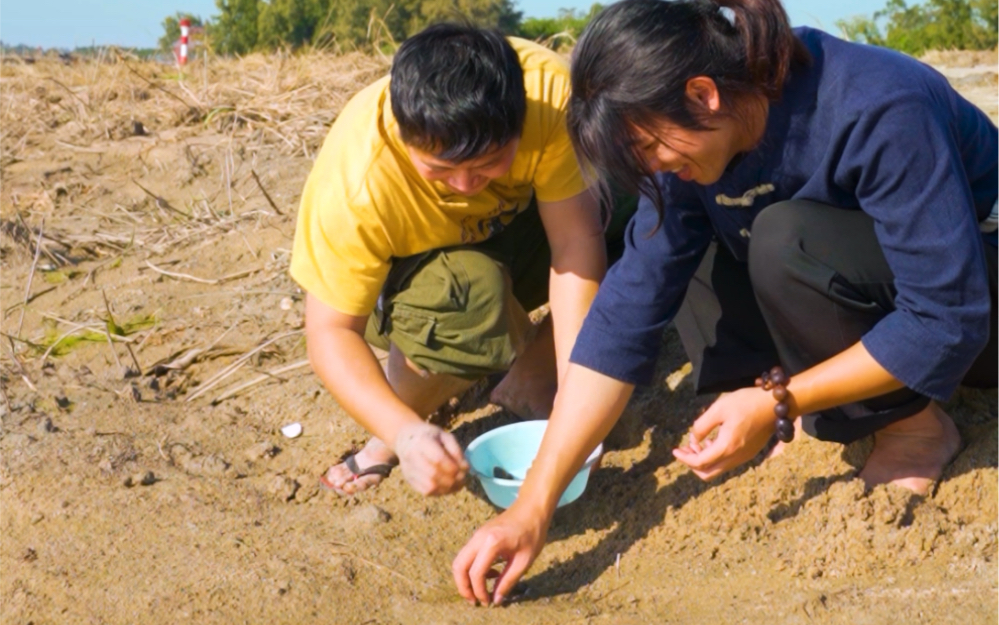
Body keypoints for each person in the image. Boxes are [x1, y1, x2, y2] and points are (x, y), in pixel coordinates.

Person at [452, 0, 997, 606]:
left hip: (978, 303)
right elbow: (625, 315)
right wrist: (532, 507)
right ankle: (784, 412)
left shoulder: (877, 104)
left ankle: (913, 430)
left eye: (650, 149)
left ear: (704, 94)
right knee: (687, 253)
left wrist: (780, 400)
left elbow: (948, 315)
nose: (654, 167)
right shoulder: (687, 143)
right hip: (872, 285)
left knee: (782, 238)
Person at [290, 23, 628, 497]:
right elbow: (329, 332)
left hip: (520, 230)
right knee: (468, 302)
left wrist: (577, 395)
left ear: (519, 121)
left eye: (489, 163)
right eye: (440, 169)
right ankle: (391, 431)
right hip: (418, 282)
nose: (467, 185)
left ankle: (536, 366)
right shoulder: (356, 183)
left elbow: (575, 242)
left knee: (641, 201)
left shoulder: (549, 97)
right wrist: (404, 434)